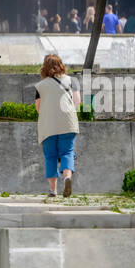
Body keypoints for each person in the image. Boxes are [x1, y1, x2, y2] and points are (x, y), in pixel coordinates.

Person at [33, 54, 80, 198]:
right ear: (61, 65)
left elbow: (38, 108)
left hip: (48, 125)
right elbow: (77, 101)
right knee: (67, 152)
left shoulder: (40, 86)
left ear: (44, 67)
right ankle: (67, 178)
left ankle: (53, 191)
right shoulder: (72, 81)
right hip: (68, 122)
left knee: (50, 156)